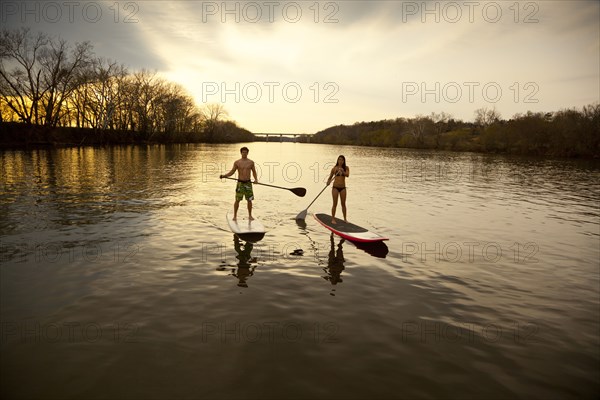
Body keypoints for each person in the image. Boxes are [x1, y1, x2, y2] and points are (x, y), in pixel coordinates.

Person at [220, 147, 258, 220]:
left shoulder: (251, 162)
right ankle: (235, 216)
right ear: (241, 153)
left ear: (247, 153)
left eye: (246, 152)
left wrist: (256, 180)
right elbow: (232, 172)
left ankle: (250, 216)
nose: (244, 153)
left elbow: (254, 172)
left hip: (248, 183)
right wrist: (224, 176)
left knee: (249, 200)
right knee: (237, 200)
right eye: (243, 152)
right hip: (240, 183)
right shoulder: (237, 162)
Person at [326, 155, 349, 224]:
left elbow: (347, 175)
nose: (340, 161)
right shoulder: (334, 168)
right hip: (335, 188)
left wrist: (343, 172)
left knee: (343, 204)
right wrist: (328, 181)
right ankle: (333, 219)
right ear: (337, 160)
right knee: (334, 204)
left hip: (343, 188)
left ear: (344, 161)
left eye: (342, 160)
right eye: (339, 160)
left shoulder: (346, 168)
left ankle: (345, 219)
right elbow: (330, 177)